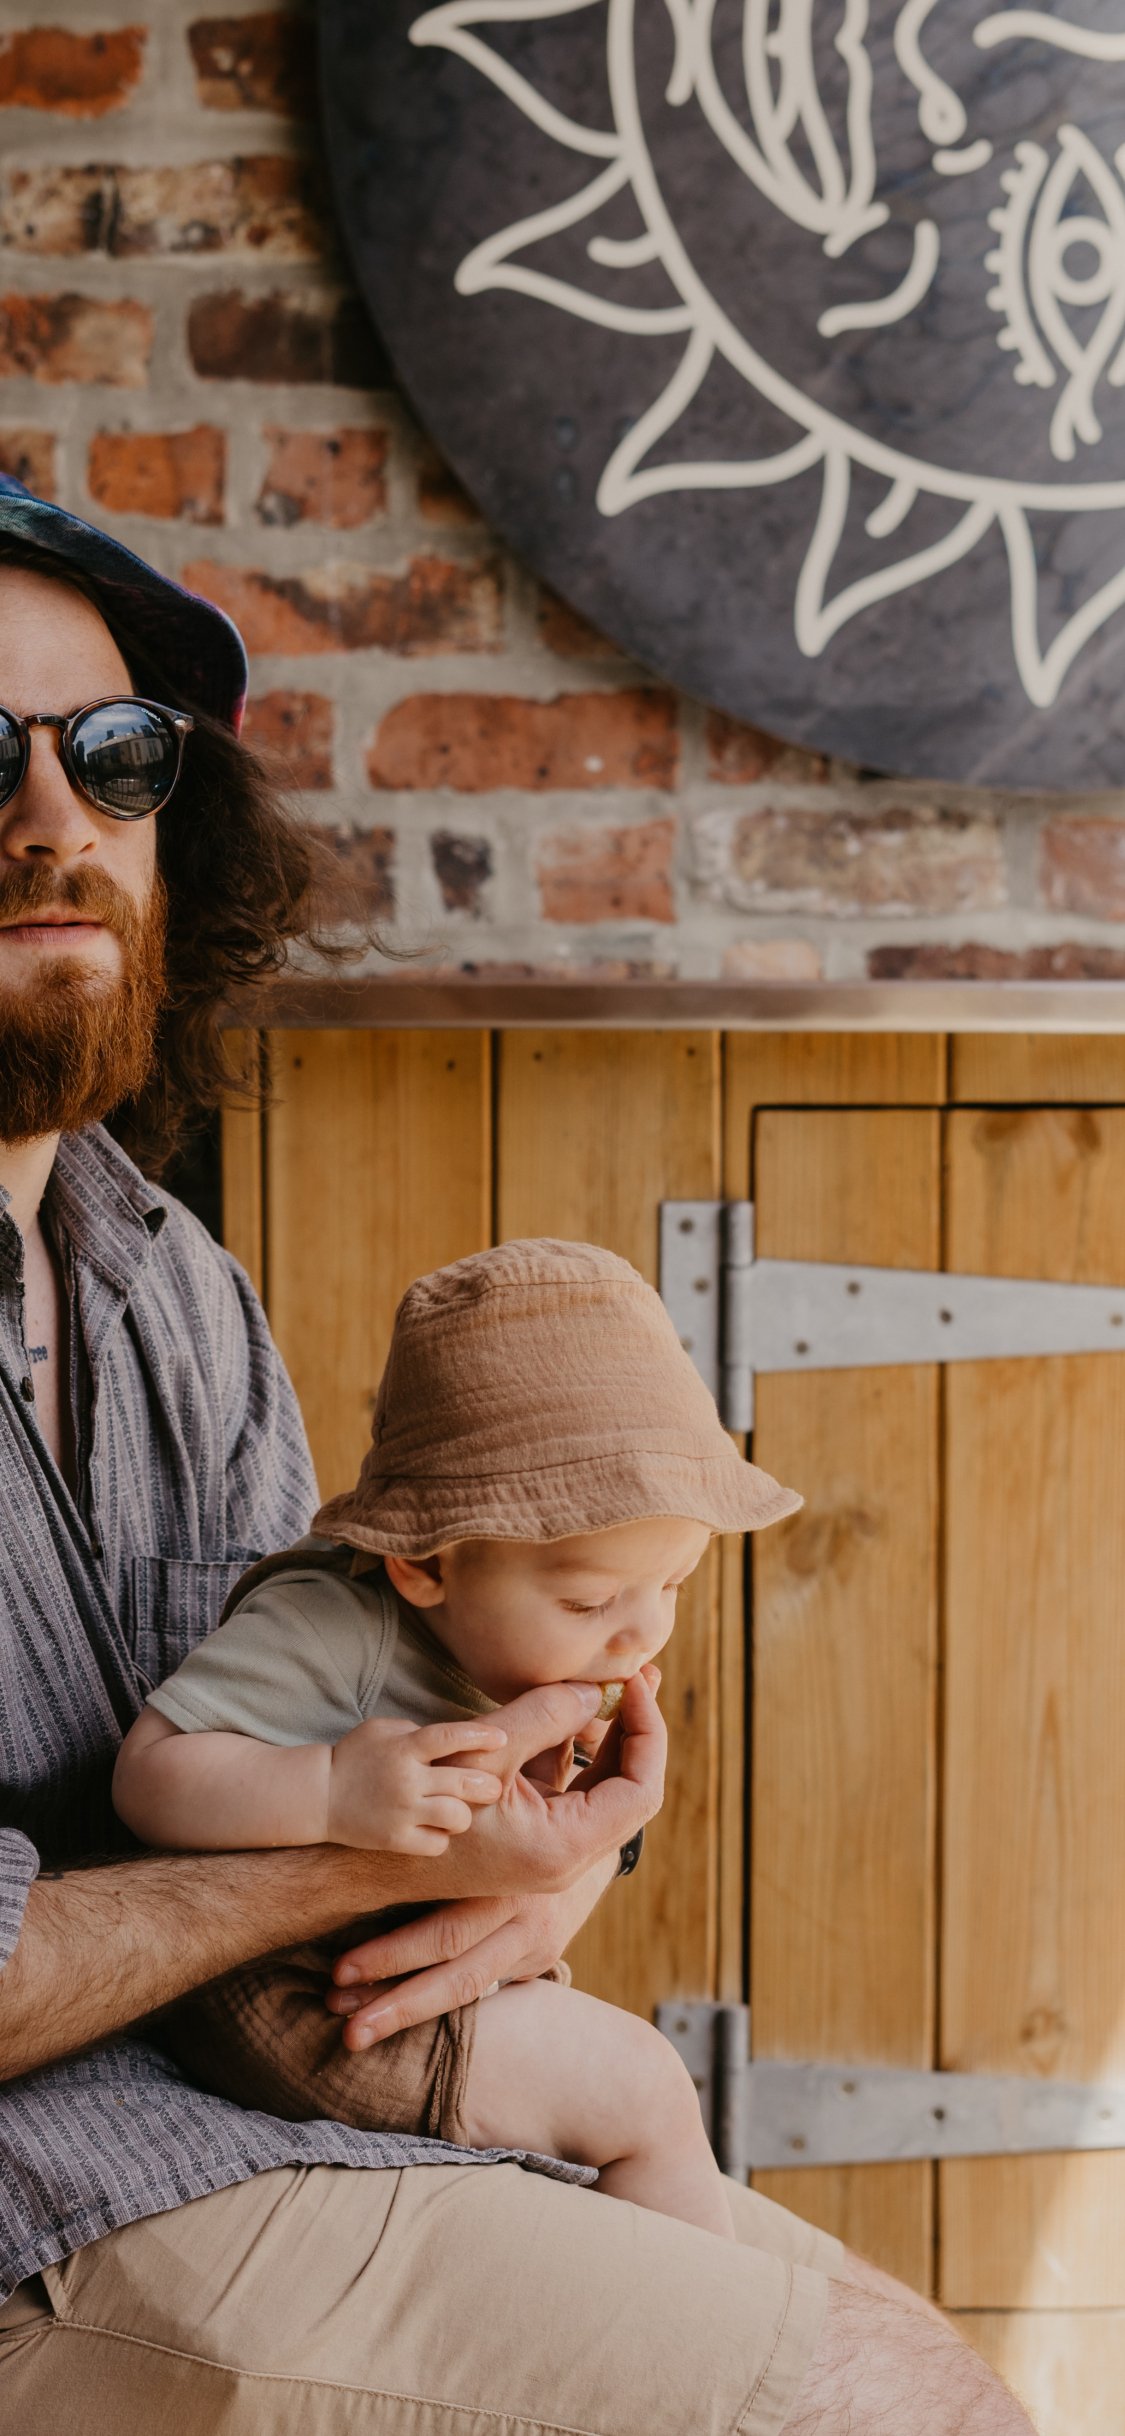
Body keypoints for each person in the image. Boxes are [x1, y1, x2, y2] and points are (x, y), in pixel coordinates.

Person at [0, 475, 1033, 2432]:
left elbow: (366, 1688)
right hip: (53, 2207)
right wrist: (360, 1856)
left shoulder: (169, 1288)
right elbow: (318, 1815)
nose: (56, 818)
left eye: (115, 754)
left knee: (946, 2388)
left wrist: (547, 1868)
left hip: (306, 2107)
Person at [113, 1238, 803, 2236]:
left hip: (404, 1980)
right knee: (645, 2087)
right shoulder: (329, 1626)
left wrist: (592, 1835)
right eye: (589, 1600)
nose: (640, 1632)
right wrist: (329, 1789)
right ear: (425, 1566)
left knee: (608, 2117)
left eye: (674, 1585)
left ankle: (649, 2283)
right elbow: (147, 1778)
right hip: (295, 1995)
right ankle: (707, 2323)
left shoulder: (541, 1648)